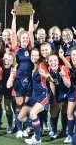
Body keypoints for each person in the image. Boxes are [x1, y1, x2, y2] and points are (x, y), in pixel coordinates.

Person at [17, 48, 57, 144]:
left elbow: (49, 78)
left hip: (44, 95)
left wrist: (47, 76)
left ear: (39, 56)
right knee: (21, 117)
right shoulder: (33, 66)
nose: (34, 57)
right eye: (32, 55)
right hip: (35, 96)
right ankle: (38, 128)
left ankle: (37, 138)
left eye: (36, 55)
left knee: (32, 113)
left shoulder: (41, 65)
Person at [10, 9, 35, 139]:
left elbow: (31, 32)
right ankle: (19, 129)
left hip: (30, 81)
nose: (25, 39)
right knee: (19, 105)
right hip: (19, 81)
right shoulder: (16, 48)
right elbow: (13, 32)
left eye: (27, 38)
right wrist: (14, 17)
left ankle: (26, 128)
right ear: (20, 39)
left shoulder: (31, 48)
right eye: (23, 38)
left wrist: (31, 16)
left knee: (27, 105)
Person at [47, 53, 71, 140]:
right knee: (53, 110)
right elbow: (52, 85)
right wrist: (54, 99)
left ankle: (65, 130)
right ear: (48, 62)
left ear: (58, 61)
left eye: (55, 60)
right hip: (59, 92)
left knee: (66, 111)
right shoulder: (49, 70)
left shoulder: (63, 68)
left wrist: (64, 76)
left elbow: (68, 85)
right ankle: (54, 130)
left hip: (69, 91)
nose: (53, 62)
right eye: (50, 61)